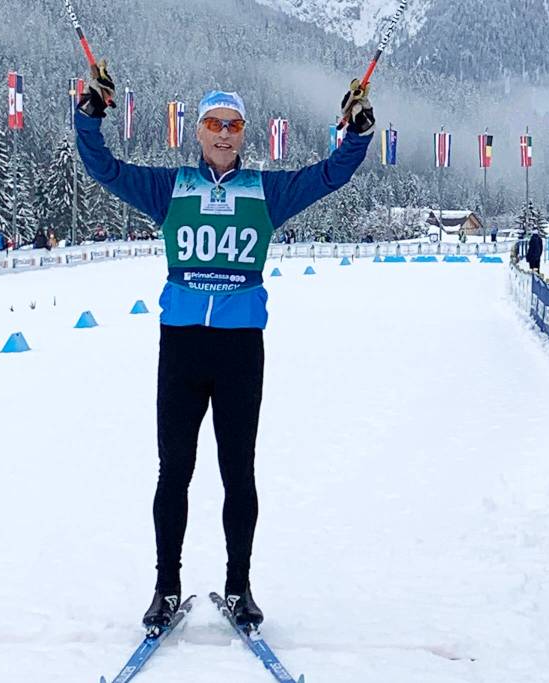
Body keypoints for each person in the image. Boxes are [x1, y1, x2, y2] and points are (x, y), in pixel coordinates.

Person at [74, 59, 374, 633]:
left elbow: (331, 174)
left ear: (243, 135)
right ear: (199, 131)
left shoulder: (265, 191)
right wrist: (89, 117)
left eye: (233, 126)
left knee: (239, 473)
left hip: (240, 351)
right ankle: (166, 588)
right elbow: (104, 169)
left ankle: (240, 587)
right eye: (214, 123)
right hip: (182, 348)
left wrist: (357, 133)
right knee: (174, 474)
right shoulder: (172, 187)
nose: (222, 134)